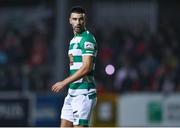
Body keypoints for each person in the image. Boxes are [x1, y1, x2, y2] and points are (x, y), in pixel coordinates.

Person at [52, 6, 97, 127]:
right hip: (72, 92)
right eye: (75, 19)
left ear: (85, 20)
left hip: (84, 93)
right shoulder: (73, 40)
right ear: (70, 20)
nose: (77, 22)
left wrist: (64, 82)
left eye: (80, 19)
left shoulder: (87, 39)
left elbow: (86, 67)